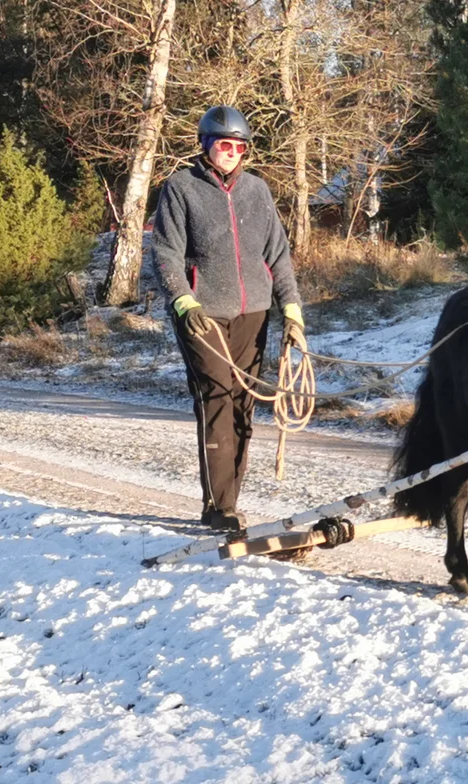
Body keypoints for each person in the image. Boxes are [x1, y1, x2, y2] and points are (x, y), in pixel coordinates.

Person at [151, 105, 305, 531]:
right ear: (206, 145)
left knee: (243, 405)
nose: (233, 152)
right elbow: (165, 253)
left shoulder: (258, 191)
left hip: (253, 313)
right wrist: (184, 302)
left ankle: (227, 501)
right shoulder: (180, 188)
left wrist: (291, 310)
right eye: (225, 144)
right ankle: (219, 507)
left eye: (240, 146)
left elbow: (277, 256)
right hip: (203, 315)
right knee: (217, 399)